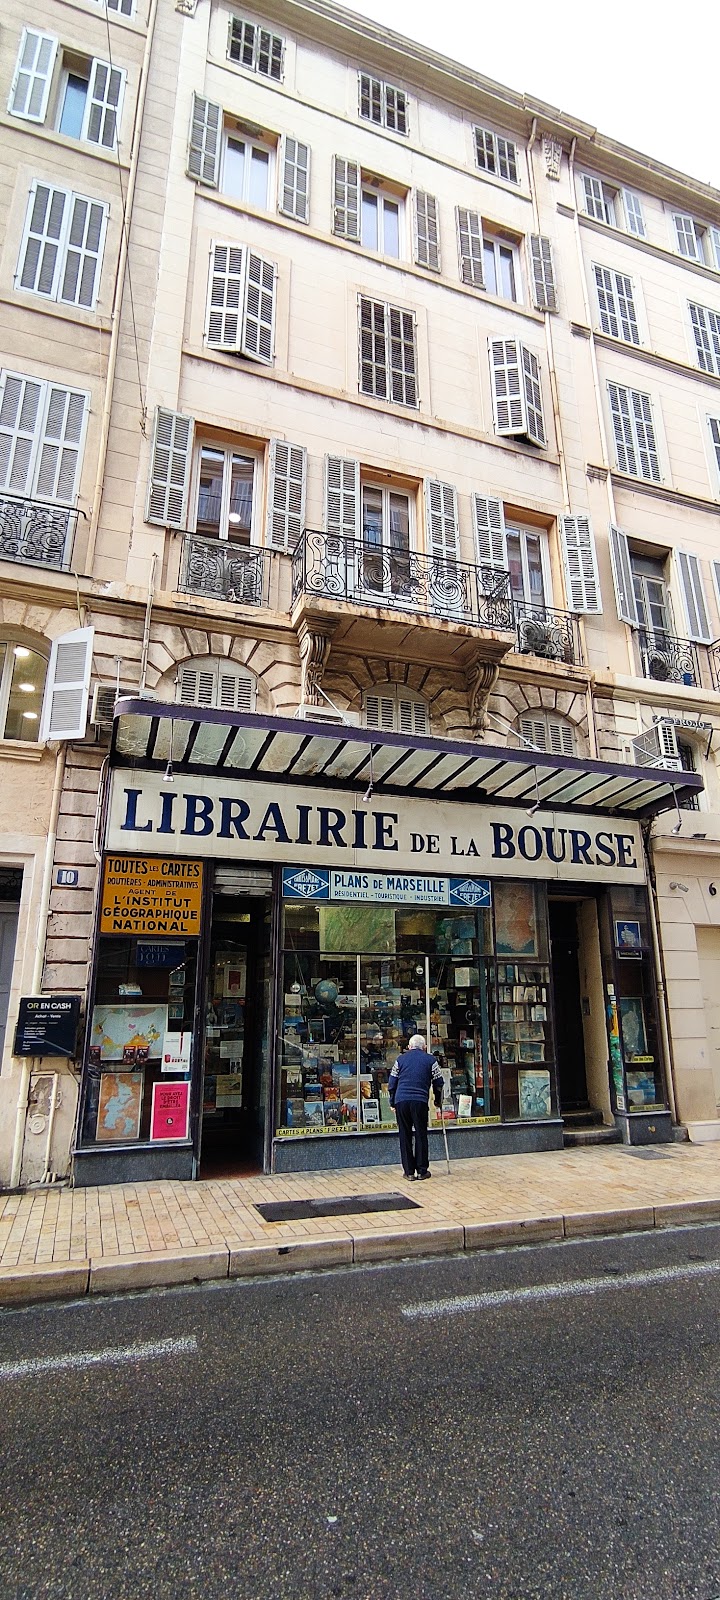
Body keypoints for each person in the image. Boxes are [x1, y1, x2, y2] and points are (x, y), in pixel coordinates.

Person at [388, 1034, 445, 1180]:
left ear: (409, 1047)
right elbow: (439, 1083)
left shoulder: (400, 1060)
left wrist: (392, 1102)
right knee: (421, 1134)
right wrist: (438, 1101)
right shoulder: (431, 1060)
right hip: (419, 1101)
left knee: (404, 1135)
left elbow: (392, 1082)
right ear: (424, 1047)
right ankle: (422, 1170)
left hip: (402, 1100)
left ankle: (408, 1172)